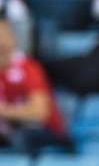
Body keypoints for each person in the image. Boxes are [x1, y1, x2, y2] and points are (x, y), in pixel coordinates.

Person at [0, 19, 69, 155]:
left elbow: (40, 112)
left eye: (4, 37)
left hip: (43, 131)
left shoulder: (28, 68)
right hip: (8, 131)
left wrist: (4, 111)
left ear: (12, 40)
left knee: (19, 137)